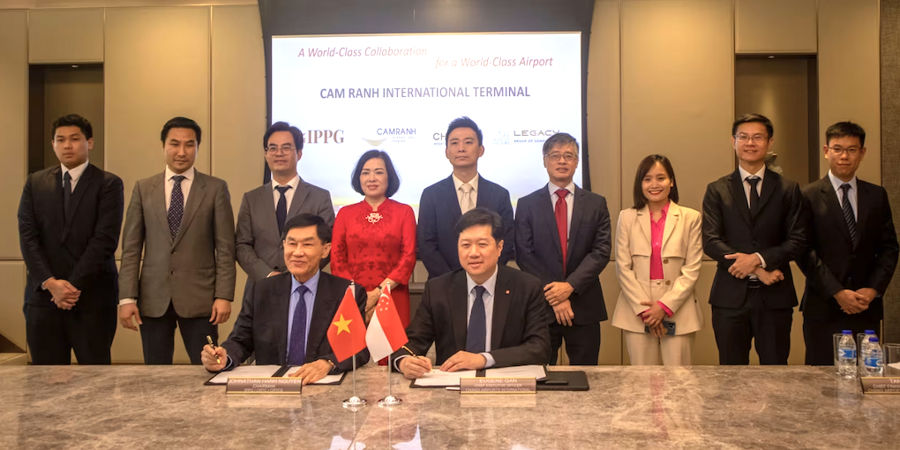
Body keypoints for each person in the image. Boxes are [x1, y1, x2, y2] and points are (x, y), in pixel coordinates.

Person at [118, 117, 236, 365]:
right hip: (153, 298)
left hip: (201, 300)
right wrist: (127, 298)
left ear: (197, 147)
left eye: (189, 145)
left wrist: (224, 295)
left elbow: (225, 248)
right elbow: (131, 249)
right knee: (155, 373)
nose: (181, 152)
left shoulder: (215, 188)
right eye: (174, 144)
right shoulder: (143, 188)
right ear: (163, 146)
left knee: (207, 367)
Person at [201, 214, 369, 383]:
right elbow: (240, 340)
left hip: (322, 386)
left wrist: (328, 363)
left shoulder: (347, 292)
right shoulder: (262, 289)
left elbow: (358, 348)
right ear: (283, 246)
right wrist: (224, 357)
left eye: (308, 244)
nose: (297, 252)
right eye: (292, 244)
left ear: (325, 250)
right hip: (274, 389)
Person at [17, 114, 124, 364]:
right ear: (53, 144)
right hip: (43, 298)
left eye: (75, 139)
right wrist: (52, 284)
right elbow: (28, 236)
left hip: (92, 297)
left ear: (90, 142)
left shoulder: (108, 184)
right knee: (45, 384)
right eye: (60, 140)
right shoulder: (35, 182)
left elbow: (104, 241)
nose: (67, 145)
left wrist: (70, 288)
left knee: (94, 383)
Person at [394, 208, 550, 379]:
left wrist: (484, 359)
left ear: (499, 247)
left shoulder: (526, 287)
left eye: (482, 244)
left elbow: (539, 348)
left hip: (506, 387)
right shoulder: (438, 289)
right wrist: (404, 361)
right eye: (465, 245)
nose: (473, 253)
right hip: (451, 389)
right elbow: (410, 343)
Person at [702, 113, 806, 365]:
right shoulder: (717, 189)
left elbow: (798, 239)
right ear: (733, 141)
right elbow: (711, 241)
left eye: (758, 137)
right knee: (730, 374)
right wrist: (759, 270)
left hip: (775, 299)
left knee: (775, 373)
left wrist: (758, 259)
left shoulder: (788, 189)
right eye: (744, 137)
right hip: (729, 298)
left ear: (770, 142)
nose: (750, 142)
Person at [798, 122, 898, 365]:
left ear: (862, 153)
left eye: (852, 150)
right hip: (824, 306)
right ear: (826, 150)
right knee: (820, 383)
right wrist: (837, 291)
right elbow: (803, 251)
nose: (844, 156)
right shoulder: (807, 195)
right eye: (838, 149)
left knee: (866, 377)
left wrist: (873, 290)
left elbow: (889, 248)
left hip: (866, 307)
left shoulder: (876, 195)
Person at [515, 132, 611, 365]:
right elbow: (523, 253)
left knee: (588, 376)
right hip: (541, 306)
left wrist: (569, 287)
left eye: (569, 156)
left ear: (577, 162)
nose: (562, 161)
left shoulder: (596, 203)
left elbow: (601, 251)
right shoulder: (527, 204)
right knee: (539, 376)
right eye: (555, 155)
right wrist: (555, 296)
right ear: (545, 161)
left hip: (584, 304)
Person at [612, 155, 703, 365]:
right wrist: (646, 312)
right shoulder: (626, 217)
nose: (654, 185)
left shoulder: (691, 217)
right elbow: (623, 268)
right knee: (642, 384)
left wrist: (664, 306)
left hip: (679, 309)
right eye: (647, 179)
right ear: (640, 184)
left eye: (661, 178)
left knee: (680, 383)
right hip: (637, 308)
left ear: (671, 181)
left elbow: (692, 270)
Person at [235, 122, 335, 298]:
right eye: (272, 148)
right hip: (261, 289)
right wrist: (267, 275)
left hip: (306, 288)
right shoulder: (251, 199)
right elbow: (242, 245)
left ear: (299, 153)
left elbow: (326, 243)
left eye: (286, 147)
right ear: (266, 154)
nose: (279, 153)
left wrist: (299, 273)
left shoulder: (320, 197)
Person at [417, 116, 515, 279]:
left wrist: (484, 275)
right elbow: (426, 244)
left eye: (468, 142)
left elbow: (506, 241)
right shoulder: (431, 195)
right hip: (442, 286)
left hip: (489, 283)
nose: (461, 148)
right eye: (454, 143)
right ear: (447, 152)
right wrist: (453, 280)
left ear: (481, 150)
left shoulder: (499, 195)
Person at [331, 150, 416, 329]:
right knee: (353, 355)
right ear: (358, 178)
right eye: (365, 172)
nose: (371, 178)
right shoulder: (345, 214)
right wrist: (361, 295)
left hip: (393, 296)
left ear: (389, 177)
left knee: (392, 355)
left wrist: (378, 292)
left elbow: (408, 257)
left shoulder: (404, 212)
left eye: (378, 172)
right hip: (353, 297)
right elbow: (337, 260)